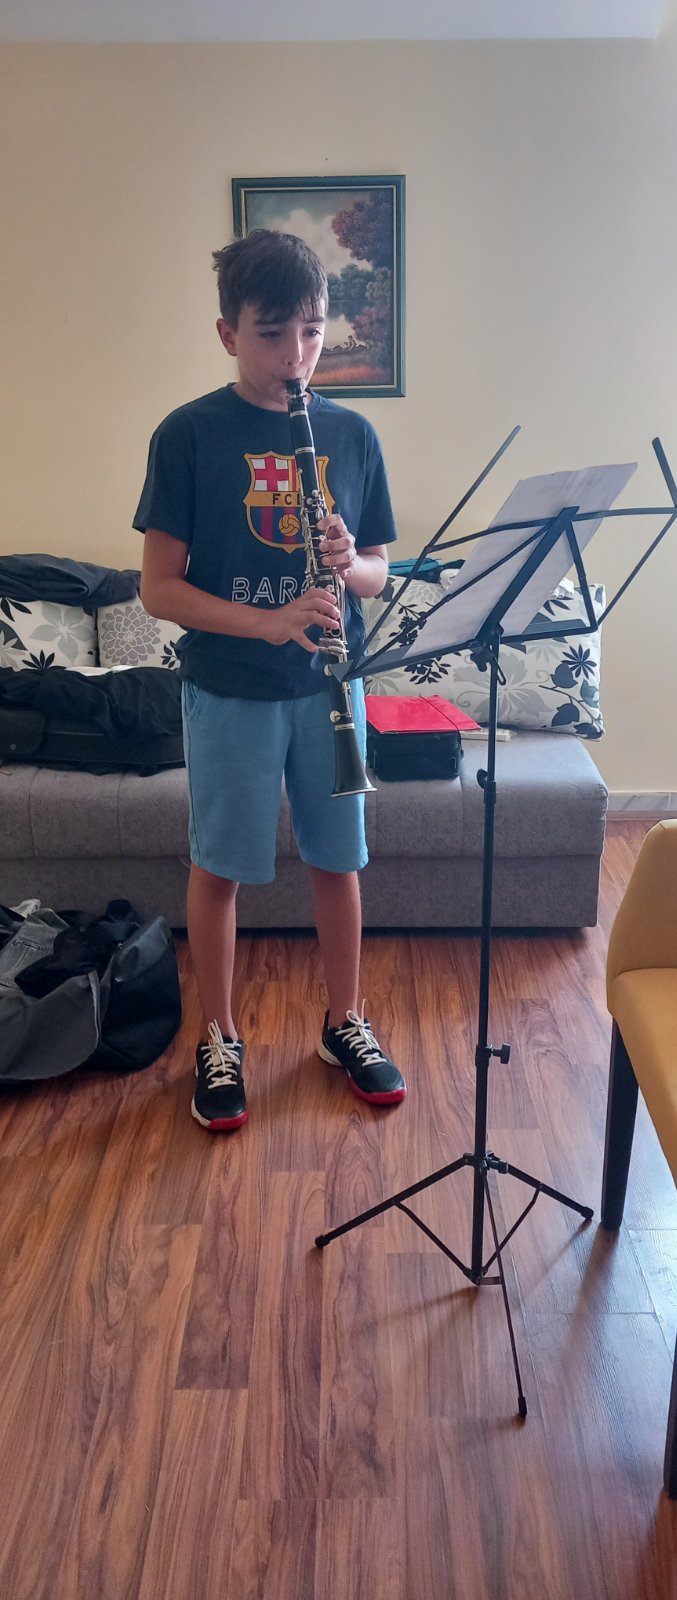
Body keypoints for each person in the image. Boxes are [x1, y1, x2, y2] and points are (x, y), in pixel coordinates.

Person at [134, 229, 407, 1132]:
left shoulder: (351, 433)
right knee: (220, 867)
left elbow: (377, 573)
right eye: (272, 334)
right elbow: (159, 589)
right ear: (228, 333)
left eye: (314, 333)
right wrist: (270, 620)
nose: (297, 356)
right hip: (229, 688)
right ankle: (218, 1036)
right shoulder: (188, 434)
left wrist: (347, 562)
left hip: (330, 687)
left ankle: (344, 1021)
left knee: (339, 859)